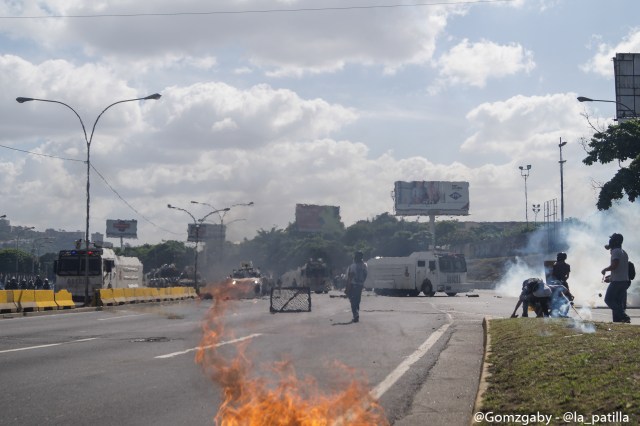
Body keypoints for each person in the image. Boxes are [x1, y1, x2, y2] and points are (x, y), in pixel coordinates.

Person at [601, 233, 631, 323]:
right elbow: (621, 270)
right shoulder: (623, 252)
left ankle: (623, 316)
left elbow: (615, 265)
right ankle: (618, 320)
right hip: (624, 281)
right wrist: (610, 278)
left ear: (615, 241)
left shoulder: (616, 251)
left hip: (618, 282)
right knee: (618, 302)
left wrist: (605, 269)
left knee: (608, 299)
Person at [346, 251, 368, 323]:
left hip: (353, 285)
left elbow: (350, 277)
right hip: (360, 285)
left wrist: (347, 287)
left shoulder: (353, 266)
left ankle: (355, 314)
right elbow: (365, 275)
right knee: (357, 300)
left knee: (353, 301)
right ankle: (356, 314)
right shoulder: (364, 265)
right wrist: (362, 282)